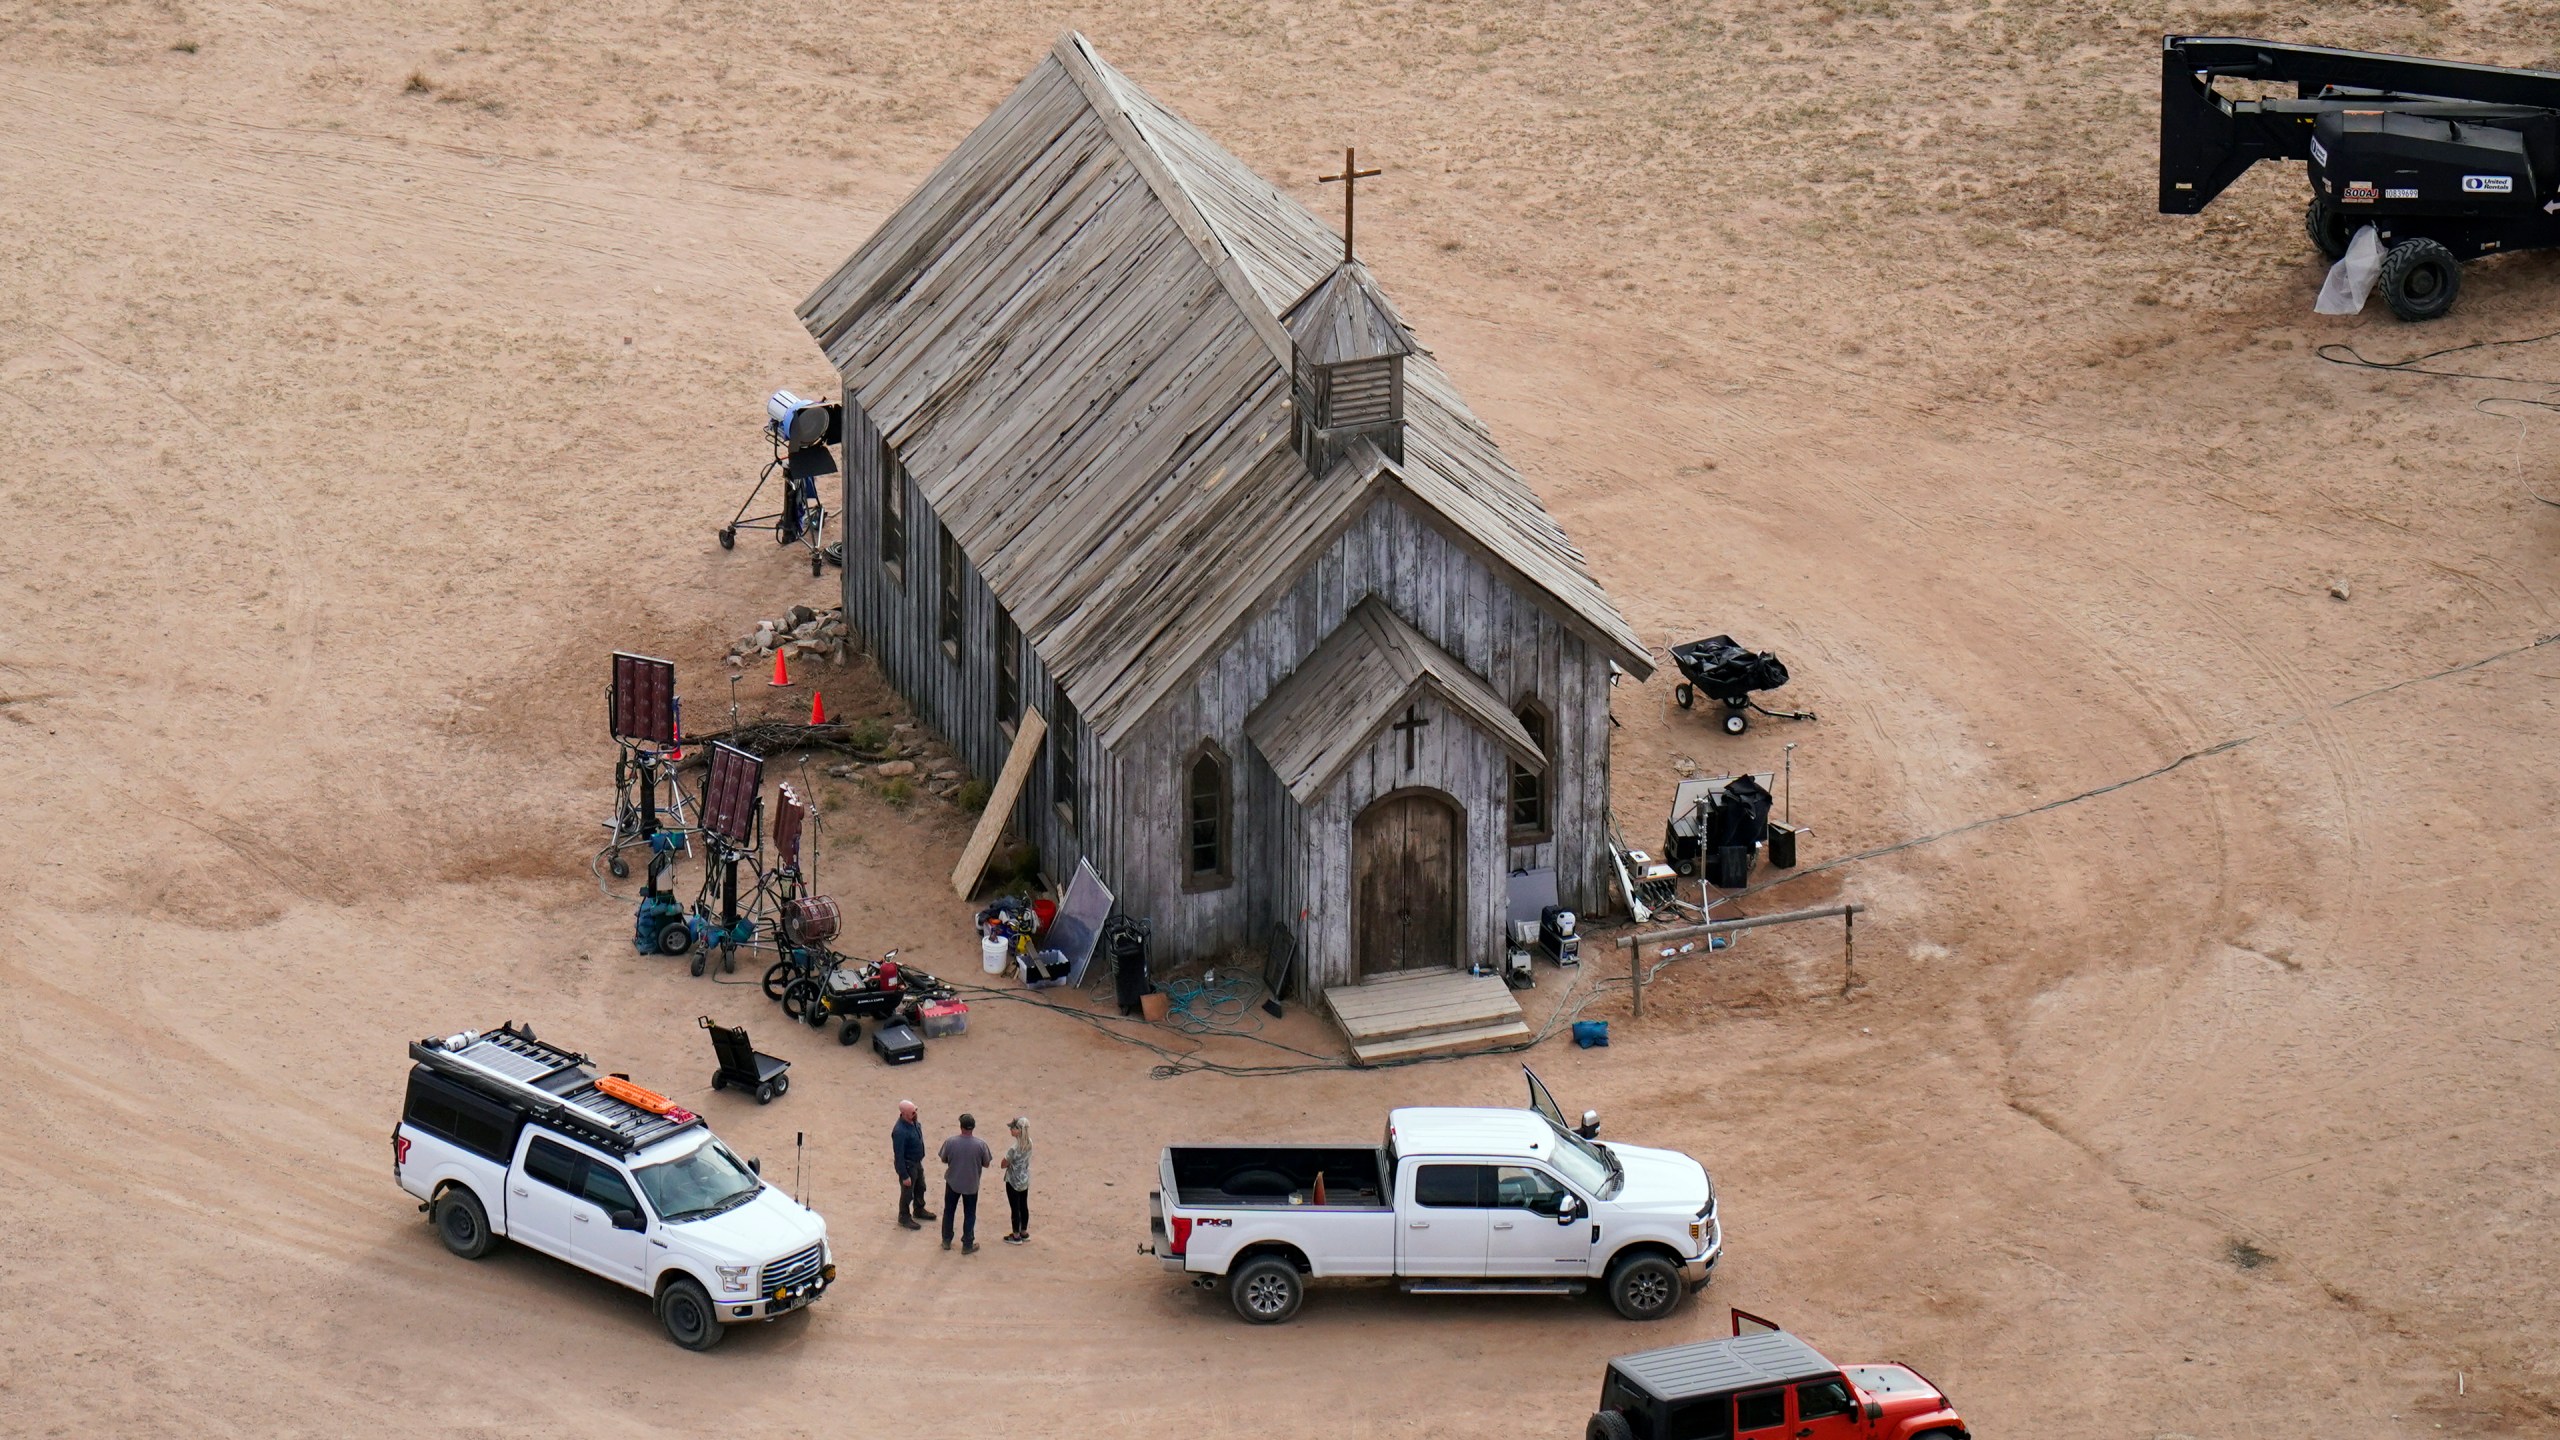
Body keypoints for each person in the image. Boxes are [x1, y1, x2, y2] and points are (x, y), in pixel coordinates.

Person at [937, 1113, 995, 1253]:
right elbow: (986, 1163)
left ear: (961, 1126)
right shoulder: (981, 1145)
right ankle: (967, 1244)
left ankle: (946, 1240)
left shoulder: (951, 1142)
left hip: (953, 1182)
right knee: (970, 1214)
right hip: (971, 1184)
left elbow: (943, 1159)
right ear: (973, 1127)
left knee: (949, 1211)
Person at [892, 1101, 932, 1230]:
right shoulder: (900, 1131)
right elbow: (899, 1155)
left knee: (921, 1187)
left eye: (915, 1111)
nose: (915, 1114)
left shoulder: (914, 1122)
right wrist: (904, 1175)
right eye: (912, 1112)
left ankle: (919, 1209)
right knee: (907, 1193)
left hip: (917, 1162)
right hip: (908, 1166)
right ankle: (904, 1216)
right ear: (903, 1114)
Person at [1000, 1115, 1032, 1244]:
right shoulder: (1030, 1143)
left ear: (1018, 1130)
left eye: (1013, 1128)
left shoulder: (1014, 1148)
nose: (1011, 1130)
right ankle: (1023, 1231)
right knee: (1024, 1205)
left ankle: (1016, 1235)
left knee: (1015, 1207)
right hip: (1024, 1178)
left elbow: (1004, 1164)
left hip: (1013, 1180)